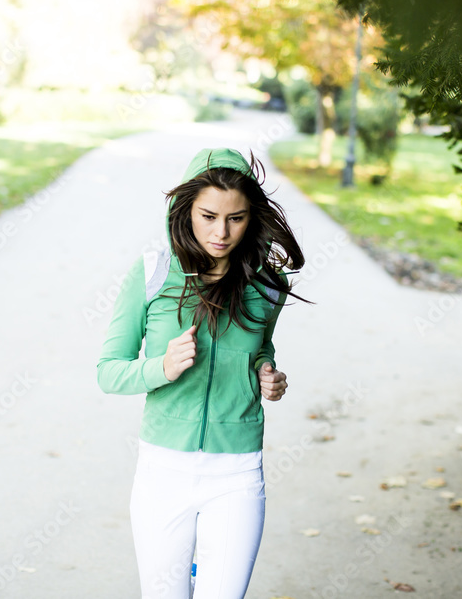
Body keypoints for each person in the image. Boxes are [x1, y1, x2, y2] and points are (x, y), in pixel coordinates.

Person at [96, 147, 312, 599]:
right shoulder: (153, 274)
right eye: (208, 216)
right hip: (163, 470)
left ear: (251, 217)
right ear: (185, 210)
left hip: (236, 471)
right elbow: (109, 372)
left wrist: (268, 374)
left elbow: (258, 350)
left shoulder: (268, 285)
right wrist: (161, 367)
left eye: (236, 218)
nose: (221, 232)